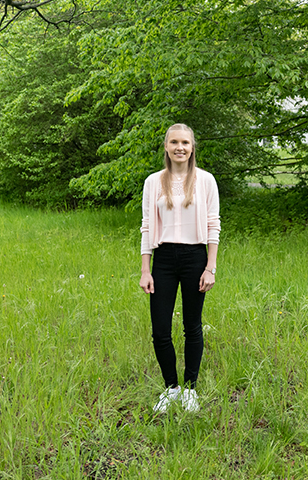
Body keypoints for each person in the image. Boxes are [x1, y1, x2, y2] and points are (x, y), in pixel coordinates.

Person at [139, 123, 221, 413]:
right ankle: (171, 388)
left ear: (192, 146)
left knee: (191, 325)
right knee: (160, 329)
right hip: (162, 259)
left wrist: (210, 267)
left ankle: (190, 389)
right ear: (166, 146)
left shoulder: (206, 181)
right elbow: (147, 226)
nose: (180, 147)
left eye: (185, 142)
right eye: (174, 142)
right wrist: (145, 270)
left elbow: (213, 225)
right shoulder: (153, 182)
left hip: (194, 257)